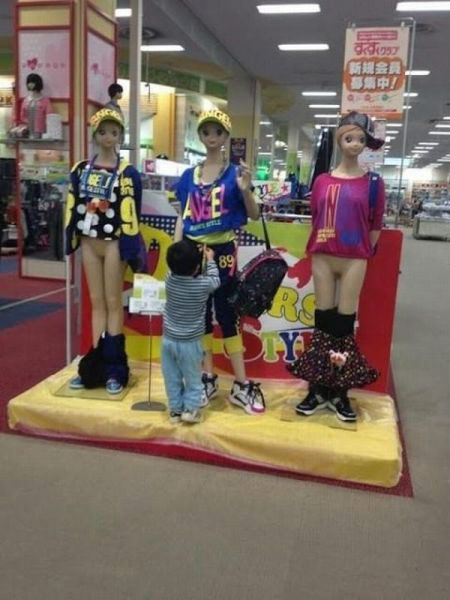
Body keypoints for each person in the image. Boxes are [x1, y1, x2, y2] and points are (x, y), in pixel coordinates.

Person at [288, 111, 385, 422]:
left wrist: (364, 250)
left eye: (360, 139)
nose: (354, 144)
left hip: (355, 258)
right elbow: (316, 218)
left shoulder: (373, 183)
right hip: (323, 256)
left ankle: (340, 391)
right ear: (339, 140)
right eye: (348, 138)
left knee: (344, 324)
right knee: (323, 323)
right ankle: (318, 388)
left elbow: (376, 224)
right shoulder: (321, 181)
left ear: (366, 143)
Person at [174, 109, 265, 415]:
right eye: (206, 132)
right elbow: (182, 215)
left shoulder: (235, 174)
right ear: (200, 136)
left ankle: (241, 383)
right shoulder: (188, 176)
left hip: (223, 252)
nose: (211, 138)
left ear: (226, 136)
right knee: (199, 317)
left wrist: (245, 190)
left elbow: (254, 215)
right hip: (192, 252)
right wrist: (176, 254)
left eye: (218, 132)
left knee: (227, 315)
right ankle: (207, 378)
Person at [65, 108, 144, 395]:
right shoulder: (80, 169)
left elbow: (133, 212)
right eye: (103, 132)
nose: (108, 137)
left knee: (112, 303)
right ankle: (94, 367)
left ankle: (114, 369)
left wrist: (131, 249)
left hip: (114, 243)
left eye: (114, 132)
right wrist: (70, 237)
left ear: (120, 135)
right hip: (88, 241)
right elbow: (73, 204)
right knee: (96, 302)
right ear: (95, 135)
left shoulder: (128, 172)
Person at [162, 240, 220, 424]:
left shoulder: (169, 280)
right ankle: (190, 410)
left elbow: (174, 266)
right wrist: (210, 260)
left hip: (168, 341)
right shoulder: (202, 285)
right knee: (193, 379)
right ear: (196, 268)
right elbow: (215, 281)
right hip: (191, 343)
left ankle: (175, 411)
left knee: (172, 378)